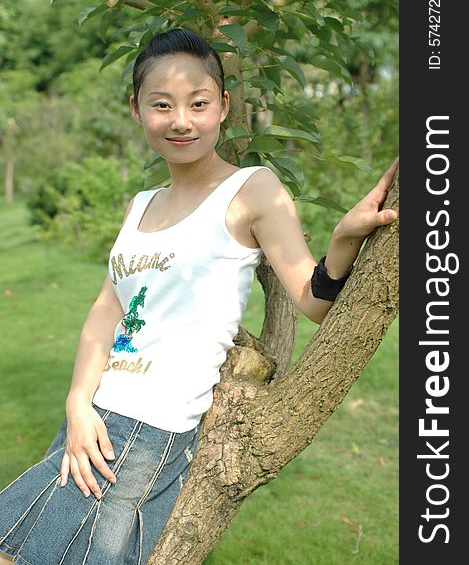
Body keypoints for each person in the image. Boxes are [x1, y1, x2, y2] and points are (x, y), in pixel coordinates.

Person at [0, 28, 398, 565]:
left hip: (152, 425)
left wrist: (344, 237)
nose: (181, 120)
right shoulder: (140, 204)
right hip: (96, 415)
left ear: (224, 107)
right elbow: (106, 309)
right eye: (161, 104)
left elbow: (312, 298)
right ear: (137, 110)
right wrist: (76, 401)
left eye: (198, 103)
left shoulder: (251, 189)